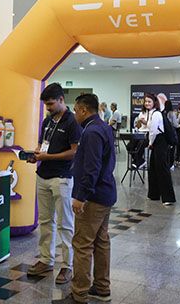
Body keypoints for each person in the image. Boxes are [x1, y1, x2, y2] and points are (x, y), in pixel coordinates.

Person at [26, 83, 81, 284]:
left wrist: (48, 157)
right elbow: (42, 145)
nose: (48, 108)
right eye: (46, 104)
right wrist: (36, 154)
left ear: (61, 100)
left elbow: (74, 151)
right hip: (43, 175)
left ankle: (67, 265)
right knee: (45, 221)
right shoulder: (47, 121)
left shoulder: (72, 121)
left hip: (62, 177)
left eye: (50, 104)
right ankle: (46, 260)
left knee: (65, 223)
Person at [68, 93, 117, 303]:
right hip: (106, 193)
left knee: (82, 244)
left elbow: (92, 167)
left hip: (93, 197)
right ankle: (102, 287)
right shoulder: (103, 127)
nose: (74, 114)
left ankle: (79, 293)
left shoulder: (91, 132)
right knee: (101, 241)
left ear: (83, 110)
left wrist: (81, 196)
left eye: (75, 110)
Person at [145, 93, 176, 205]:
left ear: (154, 103)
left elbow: (153, 131)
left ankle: (168, 198)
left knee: (162, 169)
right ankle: (154, 194)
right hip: (157, 142)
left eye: (149, 101)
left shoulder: (156, 114)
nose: (147, 103)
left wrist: (150, 143)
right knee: (153, 168)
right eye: (146, 101)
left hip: (160, 142)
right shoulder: (152, 113)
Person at [163, 100, 178, 170]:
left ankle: (166, 163)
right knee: (172, 149)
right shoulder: (172, 113)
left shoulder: (163, 113)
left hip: (164, 133)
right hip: (171, 132)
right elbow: (175, 124)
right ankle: (171, 164)